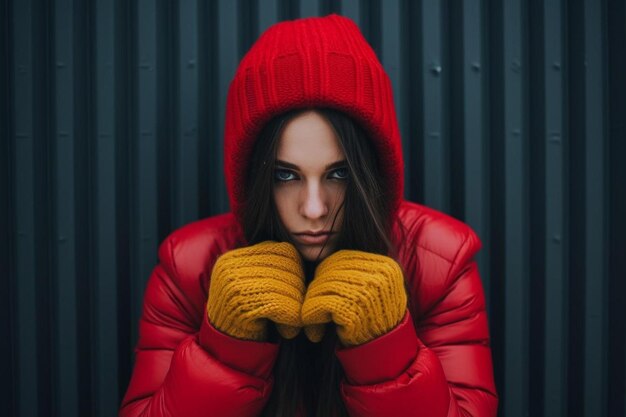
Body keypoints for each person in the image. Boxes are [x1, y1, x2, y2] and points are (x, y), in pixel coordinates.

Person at [120, 14, 497, 417]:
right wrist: (227, 348)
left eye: (339, 174)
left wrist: (385, 349)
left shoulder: (440, 261)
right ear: (251, 177)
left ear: (373, 173)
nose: (314, 208)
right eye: (285, 175)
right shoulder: (188, 268)